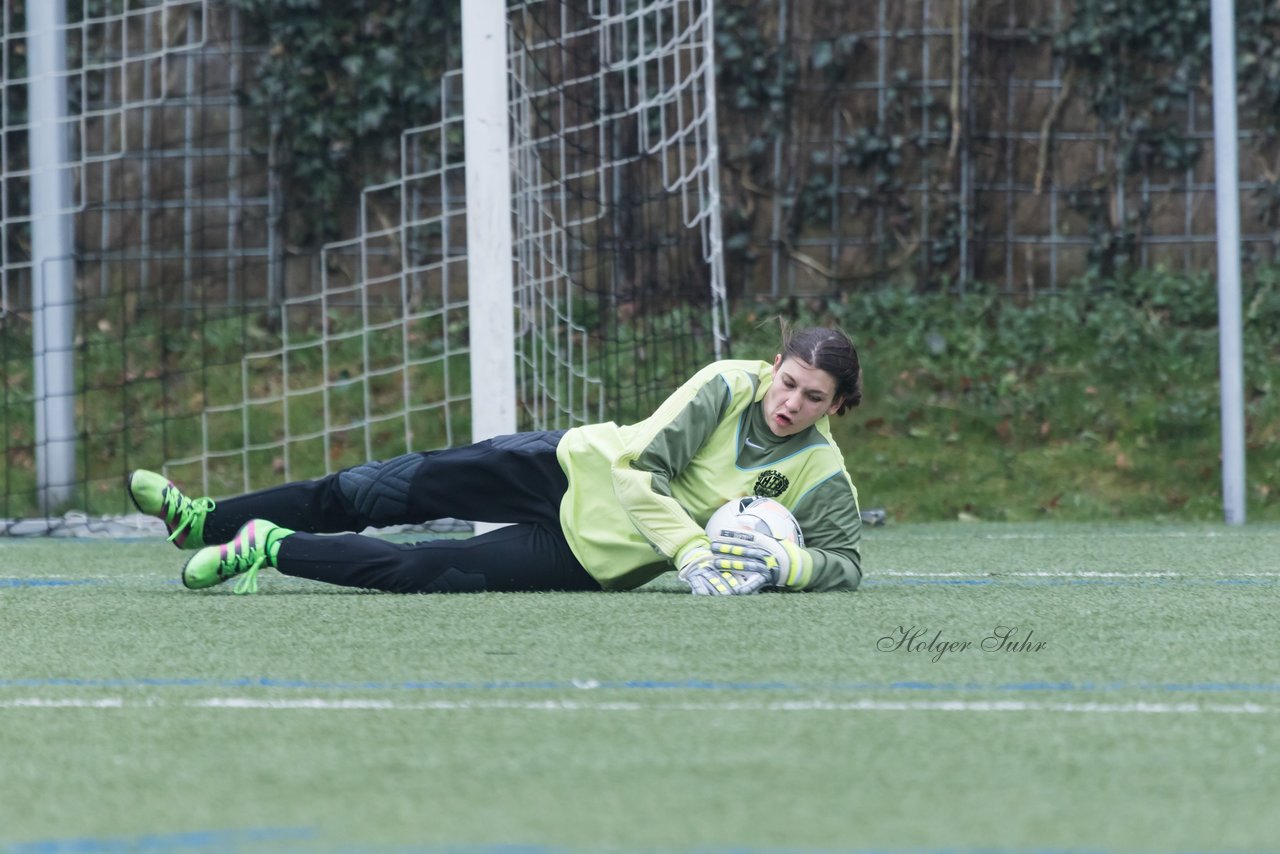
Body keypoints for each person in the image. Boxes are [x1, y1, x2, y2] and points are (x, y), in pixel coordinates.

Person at [127, 324, 865, 596]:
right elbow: (641, 473)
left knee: (416, 571)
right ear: (773, 366)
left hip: (586, 557)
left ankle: (268, 548)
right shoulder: (726, 383)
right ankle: (202, 521)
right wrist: (695, 551)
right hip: (563, 467)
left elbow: (847, 562)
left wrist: (783, 565)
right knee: (376, 487)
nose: (791, 401)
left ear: (835, 407)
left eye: (813, 397)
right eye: (788, 381)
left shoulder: (820, 472)